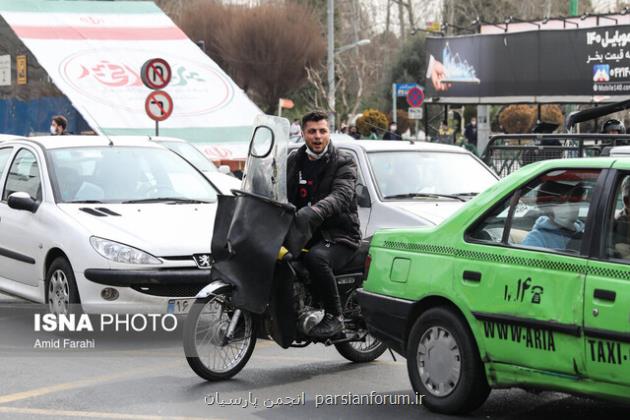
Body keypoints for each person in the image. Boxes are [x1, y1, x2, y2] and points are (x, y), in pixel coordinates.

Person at [286, 111, 361, 337]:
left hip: (338, 235)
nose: (317, 136)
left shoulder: (344, 162)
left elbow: (342, 195)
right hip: (304, 232)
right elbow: (277, 190)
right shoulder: (294, 161)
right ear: (303, 133)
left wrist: (316, 210)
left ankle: (334, 316)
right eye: (312, 131)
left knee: (315, 258)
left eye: (322, 131)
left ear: (329, 132)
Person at [521, 181, 586, 251]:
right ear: (544, 206)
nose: (568, 206)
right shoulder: (537, 239)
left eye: (573, 200)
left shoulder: (588, 232)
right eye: (558, 201)